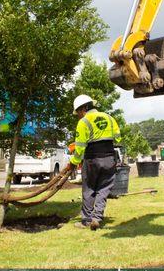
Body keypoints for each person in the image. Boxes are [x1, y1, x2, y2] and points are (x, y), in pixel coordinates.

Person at [66, 94, 121, 230]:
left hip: (92, 159)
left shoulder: (84, 122)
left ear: (84, 108)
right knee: (104, 189)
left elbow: (79, 149)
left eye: (78, 112)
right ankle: (97, 218)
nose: (78, 115)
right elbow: (118, 138)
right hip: (109, 158)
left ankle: (86, 220)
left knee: (89, 189)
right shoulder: (109, 117)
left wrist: (73, 162)